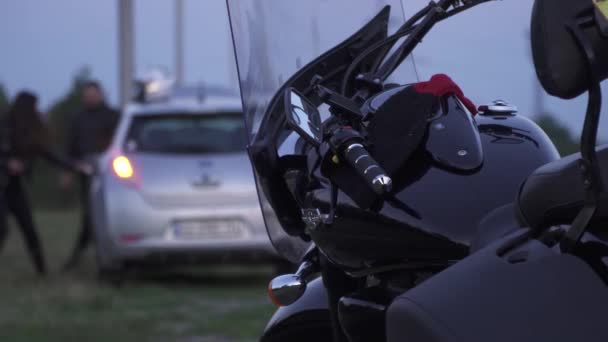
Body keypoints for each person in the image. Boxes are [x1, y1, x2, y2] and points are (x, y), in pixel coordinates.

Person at [0, 91, 92, 275]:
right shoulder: (4, 126)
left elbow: (50, 155)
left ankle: (42, 272)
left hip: (14, 187)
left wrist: (76, 166)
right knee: (1, 229)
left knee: (29, 229)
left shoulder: (31, 132)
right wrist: (7, 163)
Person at [61, 81, 119, 270]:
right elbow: (71, 147)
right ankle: (87, 258)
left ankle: (99, 258)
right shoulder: (78, 118)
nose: (90, 98)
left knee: (101, 216)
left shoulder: (112, 116)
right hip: (86, 173)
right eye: (87, 95)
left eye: (93, 94)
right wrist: (68, 170)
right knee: (90, 215)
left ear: (101, 94)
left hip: (110, 175)